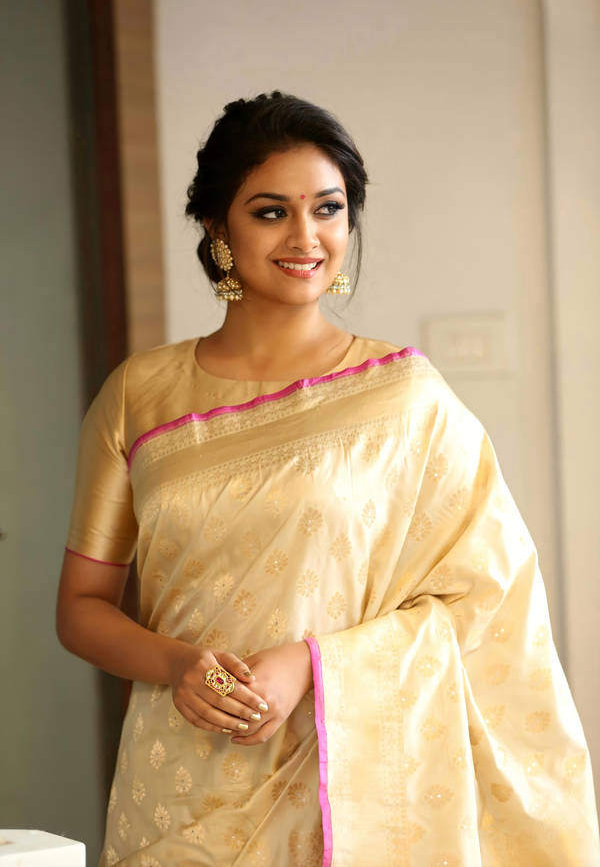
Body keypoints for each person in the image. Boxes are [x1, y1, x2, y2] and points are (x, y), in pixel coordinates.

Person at [56, 92, 599, 866]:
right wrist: (177, 664)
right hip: (179, 782)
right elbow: (81, 608)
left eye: (328, 209)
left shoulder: (404, 399)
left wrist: (310, 666)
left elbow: (488, 601)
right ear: (216, 227)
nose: (306, 236)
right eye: (271, 212)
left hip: (347, 789)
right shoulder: (139, 395)